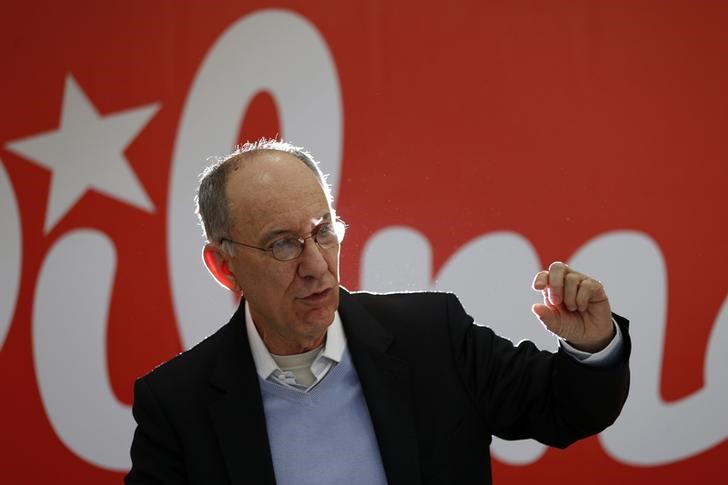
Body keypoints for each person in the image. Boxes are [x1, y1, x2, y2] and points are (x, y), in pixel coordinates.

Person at [126, 139, 630, 485]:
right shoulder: (176, 405)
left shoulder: (432, 337)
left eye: (323, 231)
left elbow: (565, 408)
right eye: (282, 245)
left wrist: (592, 345)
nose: (316, 266)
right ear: (224, 266)